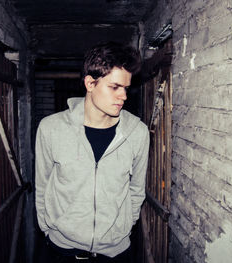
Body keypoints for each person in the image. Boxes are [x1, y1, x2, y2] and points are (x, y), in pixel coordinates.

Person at [35, 41, 150, 262]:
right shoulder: (51, 128)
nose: (123, 96)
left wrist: (122, 228)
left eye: (126, 88)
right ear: (90, 83)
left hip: (116, 252)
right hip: (62, 250)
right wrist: (49, 228)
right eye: (114, 87)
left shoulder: (137, 133)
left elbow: (136, 190)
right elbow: (42, 184)